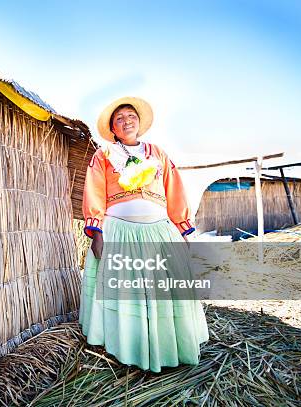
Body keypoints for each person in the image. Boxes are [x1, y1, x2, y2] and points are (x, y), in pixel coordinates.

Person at [79, 96, 209, 372]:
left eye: (131, 117)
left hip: (159, 233)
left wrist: (183, 230)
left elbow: (174, 190)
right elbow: (95, 192)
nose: (126, 122)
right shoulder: (103, 156)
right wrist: (97, 233)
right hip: (119, 233)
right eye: (120, 119)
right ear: (113, 128)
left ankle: (166, 346)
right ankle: (126, 346)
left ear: (139, 123)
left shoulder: (158, 154)